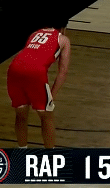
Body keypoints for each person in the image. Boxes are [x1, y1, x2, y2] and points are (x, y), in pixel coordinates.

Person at [7, 17, 72, 149]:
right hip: (35, 72)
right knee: (46, 116)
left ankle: (22, 152)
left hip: (14, 69)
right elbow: (63, 71)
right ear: (64, 28)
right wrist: (52, 95)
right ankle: (50, 156)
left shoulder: (35, 33)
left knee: (20, 114)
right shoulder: (63, 39)